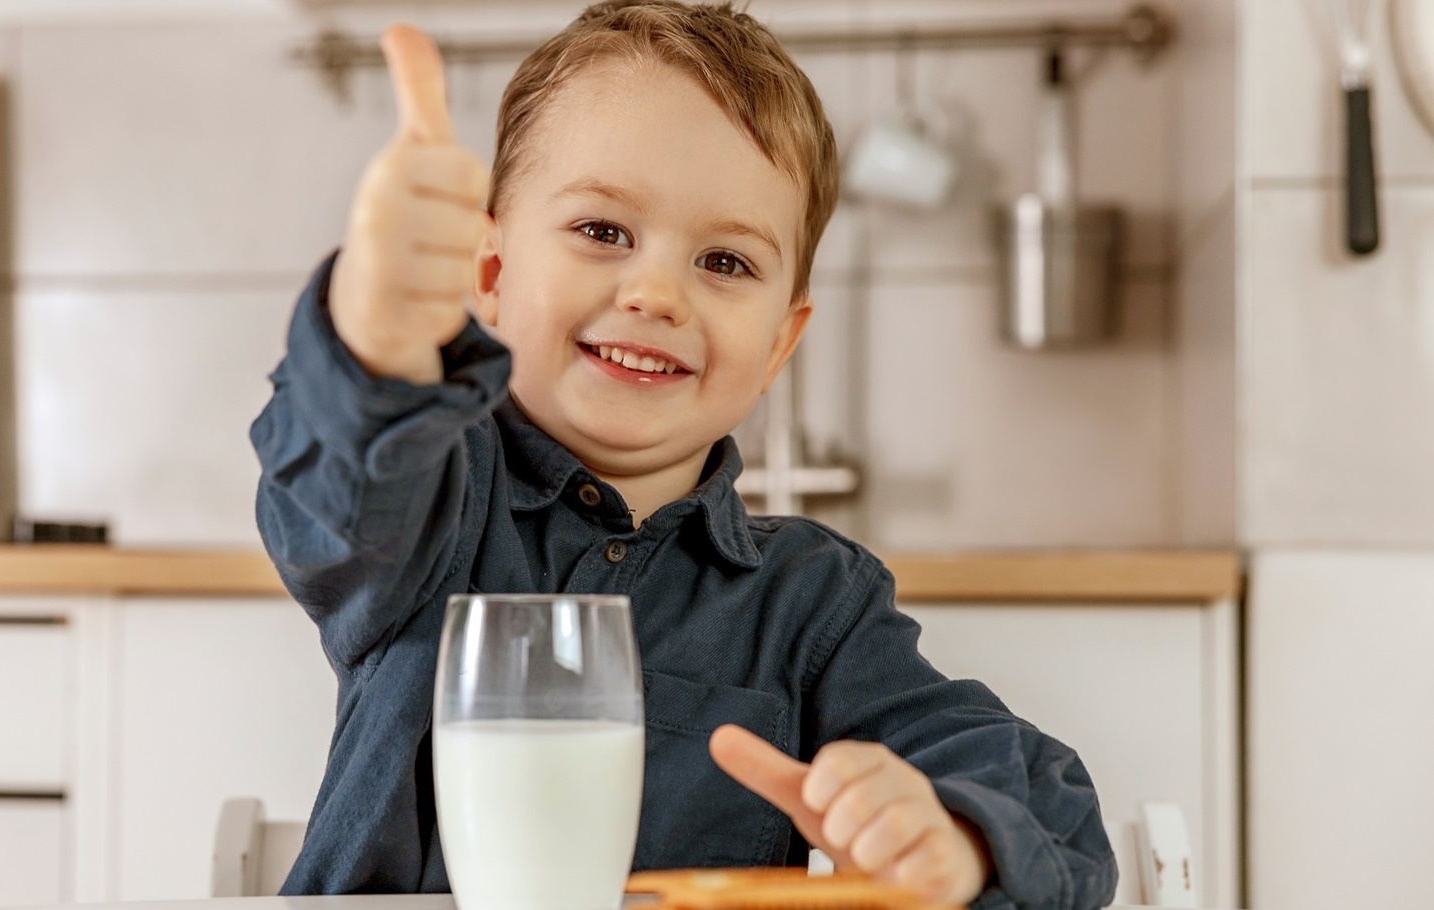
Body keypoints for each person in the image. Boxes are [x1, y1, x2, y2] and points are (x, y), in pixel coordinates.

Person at [251, 2, 1116, 907]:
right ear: (492, 272)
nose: (657, 293)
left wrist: (958, 836)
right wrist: (376, 337)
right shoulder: (432, 495)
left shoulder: (812, 604)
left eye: (726, 263)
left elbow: (1042, 802)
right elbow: (337, 484)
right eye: (603, 231)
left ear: (780, 345)